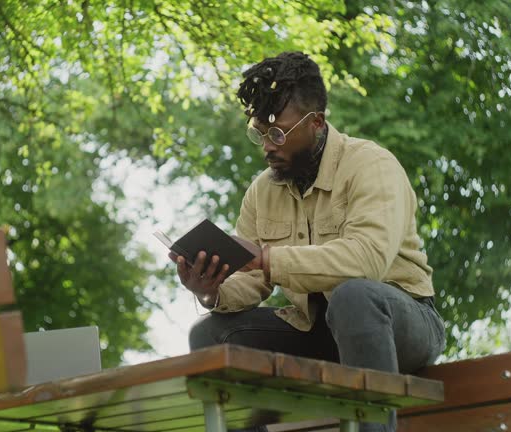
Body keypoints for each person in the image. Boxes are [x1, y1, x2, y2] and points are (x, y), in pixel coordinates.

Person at [168, 52, 446, 432]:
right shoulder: (262, 191)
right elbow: (252, 281)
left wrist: (267, 258)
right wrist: (210, 291)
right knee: (210, 333)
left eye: (278, 133)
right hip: (316, 331)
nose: (267, 145)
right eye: (258, 133)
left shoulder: (371, 165)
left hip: (398, 323)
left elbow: (367, 262)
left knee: (355, 297)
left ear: (316, 122)